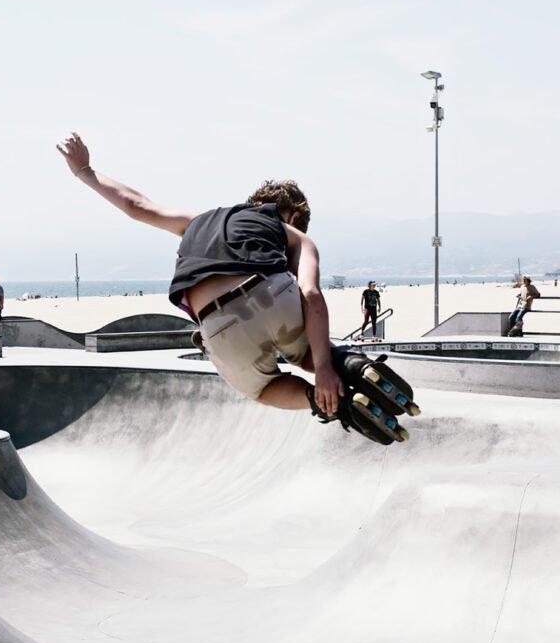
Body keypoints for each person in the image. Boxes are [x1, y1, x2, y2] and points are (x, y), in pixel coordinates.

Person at [56, 133, 418, 444]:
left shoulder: (197, 220)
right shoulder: (296, 235)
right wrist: (323, 366)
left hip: (218, 327)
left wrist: (84, 171)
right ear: (291, 216)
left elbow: (137, 206)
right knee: (310, 351)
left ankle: (326, 404)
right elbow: (310, 295)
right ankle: (351, 366)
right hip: (271, 294)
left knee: (262, 389)